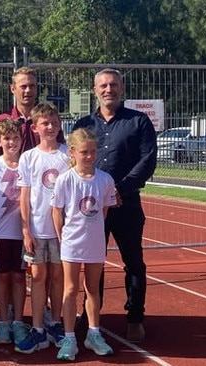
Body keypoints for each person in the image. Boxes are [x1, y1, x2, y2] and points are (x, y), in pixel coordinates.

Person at [74, 68, 157, 342]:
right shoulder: (83, 124)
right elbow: (73, 162)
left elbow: (147, 161)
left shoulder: (139, 122)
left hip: (127, 204)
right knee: (93, 263)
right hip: (92, 208)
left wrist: (119, 190)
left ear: (121, 88)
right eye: (103, 85)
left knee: (134, 262)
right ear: (94, 90)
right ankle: (90, 315)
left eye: (113, 85)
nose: (108, 89)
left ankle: (135, 317)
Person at [51, 128, 117, 361]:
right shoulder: (65, 180)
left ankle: (93, 334)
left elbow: (105, 211)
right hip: (71, 242)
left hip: (95, 242)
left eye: (92, 152)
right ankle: (69, 338)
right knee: (70, 289)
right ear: (72, 152)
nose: (89, 156)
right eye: (84, 152)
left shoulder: (105, 179)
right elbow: (57, 212)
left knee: (93, 288)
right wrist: (63, 237)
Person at [15, 103, 69, 354]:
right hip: (37, 230)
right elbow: (24, 196)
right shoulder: (28, 157)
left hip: (63, 231)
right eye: (44, 123)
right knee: (38, 278)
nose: (50, 127)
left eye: (54, 122)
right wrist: (26, 230)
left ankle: (55, 323)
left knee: (58, 277)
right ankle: (37, 328)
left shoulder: (68, 156)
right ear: (35, 128)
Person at [0, 118, 28, 346]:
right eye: (7, 138)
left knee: (19, 277)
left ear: (22, 139)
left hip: (22, 233)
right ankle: (3, 321)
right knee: (2, 276)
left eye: (16, 137)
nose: (12, 142)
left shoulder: (27, 163)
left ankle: (19, 322)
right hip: (1, 232)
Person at [0, 67, 65, 156]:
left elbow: (60, 150)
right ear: (13, 89)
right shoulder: (3, 120)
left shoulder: (49, 121)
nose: (28, 90)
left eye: (32, 86)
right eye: (23, 87)